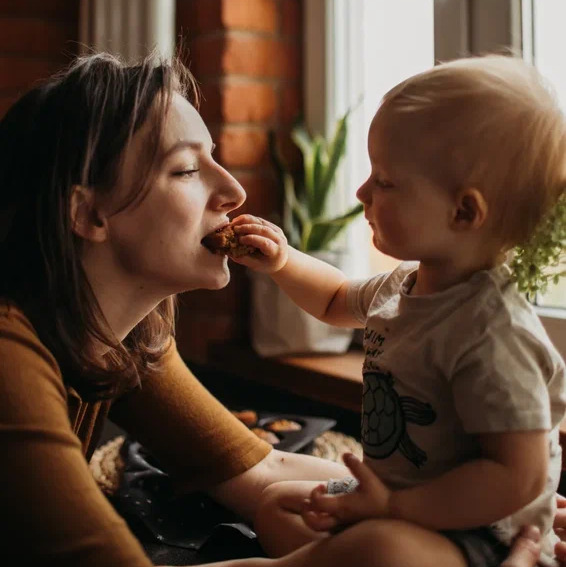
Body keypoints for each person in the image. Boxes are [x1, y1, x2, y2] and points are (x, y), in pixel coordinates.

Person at [0, 50, 558, 567]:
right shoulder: (9, 356)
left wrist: (503, 514)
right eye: (187, 170)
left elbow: (263, 468)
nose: (235, 192)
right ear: (90, 214)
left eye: (213, 158)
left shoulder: (119, 334)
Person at [227, 55, 566, 567]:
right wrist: (282, 261)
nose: (362, 193)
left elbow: (516, 478)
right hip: (401, 492)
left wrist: (398, 508)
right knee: (279, 506)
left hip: (476, 534)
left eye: (384, 181)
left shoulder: (493, 336)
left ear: (464, 211)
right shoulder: (406, 283)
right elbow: (336, 298)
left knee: (380, 550)